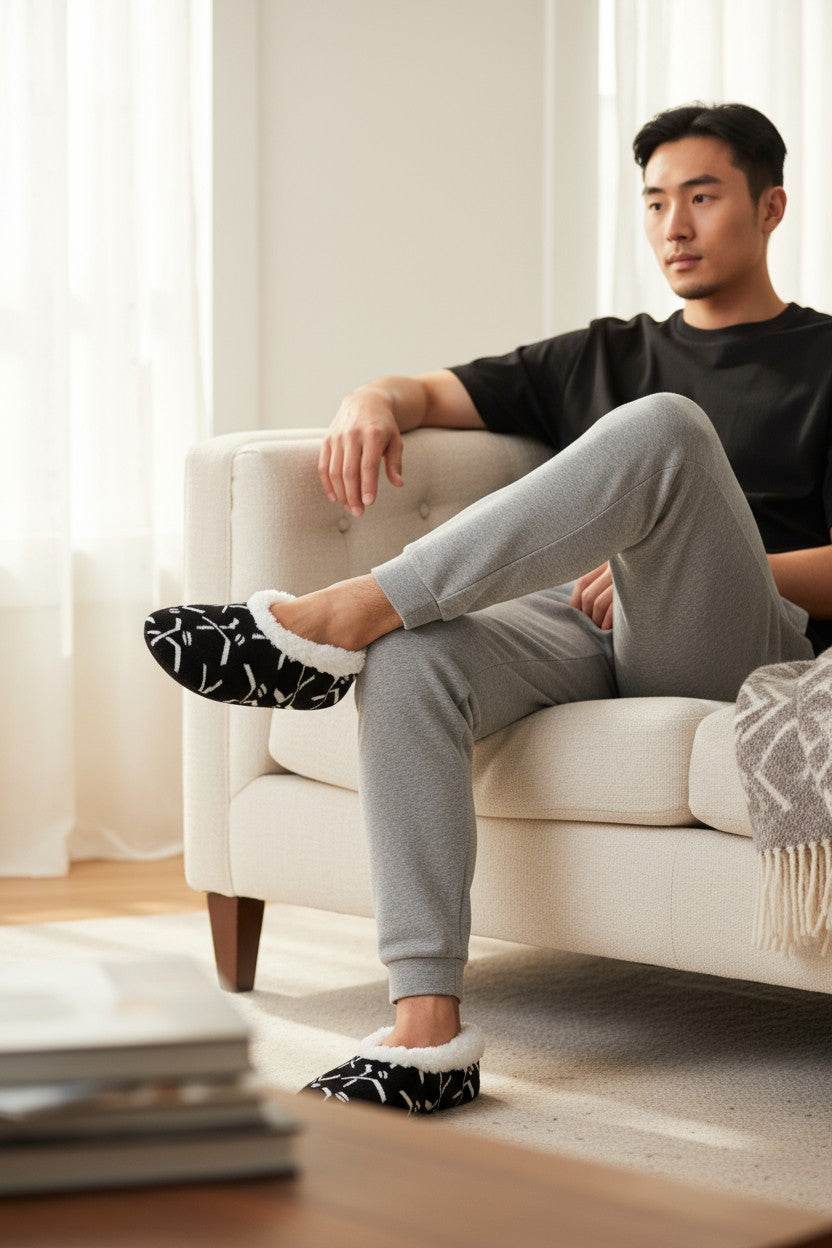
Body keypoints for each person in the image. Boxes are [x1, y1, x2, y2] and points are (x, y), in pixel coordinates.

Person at [144, 101, 832, 1114]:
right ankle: (425, 1032)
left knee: (664, 432)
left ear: (769, 207)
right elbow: (423, 391)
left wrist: (668, 555)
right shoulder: (603, 351)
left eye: (701, 197)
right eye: (653, 203)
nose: (673, 227)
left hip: (739, 636)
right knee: (412, 660)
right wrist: (369, 401)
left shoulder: (819, 359)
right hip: (581, 624)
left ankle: (345, 610)